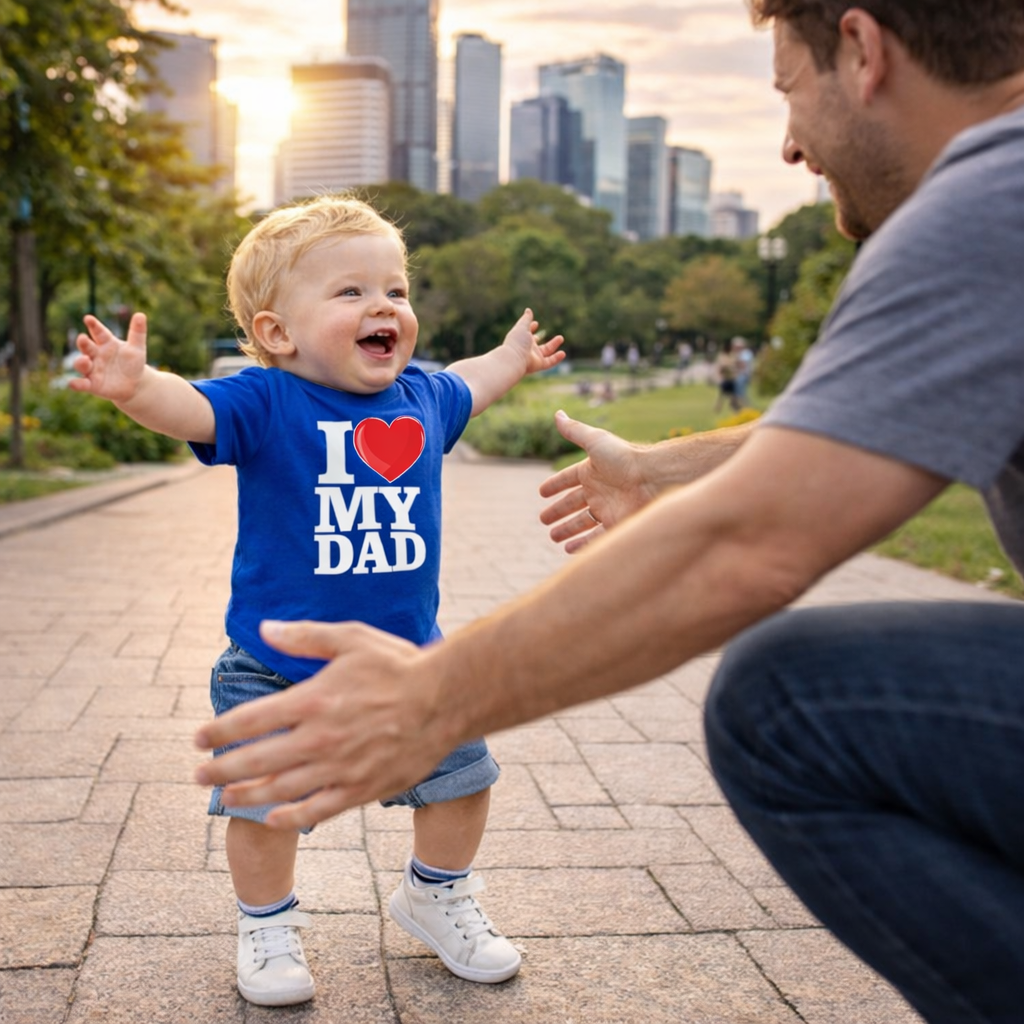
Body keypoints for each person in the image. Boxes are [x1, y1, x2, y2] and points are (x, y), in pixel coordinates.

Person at [191, 3, 1024, 1020]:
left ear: (861, 50)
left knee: (783, 701)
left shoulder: (992, 202)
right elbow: (869, 421)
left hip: (403, 656)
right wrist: (670, 468)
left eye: (787, 89)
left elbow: (749, 547)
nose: (788, 144)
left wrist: (437, 698)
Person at [70, 194, 565, 1006]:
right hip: (275, 666)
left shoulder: (420, 399)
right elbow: (192, 408)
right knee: (264, 807)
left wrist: (510, 357)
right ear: (277, 333)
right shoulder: (267, 401)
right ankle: (267, 926)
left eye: (396, 290)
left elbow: (470, 382)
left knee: (464, 778)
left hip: (408, 663)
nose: (384, 306)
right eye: (351, 292)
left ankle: (436, 894)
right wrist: (136, 388)